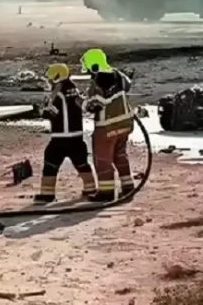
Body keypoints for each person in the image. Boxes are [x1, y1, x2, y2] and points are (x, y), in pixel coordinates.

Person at [33, 63, 96, 204]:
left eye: (50, 79)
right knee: (82, 163)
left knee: (50, 163)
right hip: (77, 137)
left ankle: (47, 194)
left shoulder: (58, 92)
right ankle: (91, 188)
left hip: (61, 137)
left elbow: (51, 113)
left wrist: (39, 112)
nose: (49, 82)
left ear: (57, 77)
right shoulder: (73, 89)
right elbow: (82, 106)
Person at [81, 48, 135, 202]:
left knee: (102, 159)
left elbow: (94, 105)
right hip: (125, 124)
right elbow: (127, 86)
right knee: (120, 156)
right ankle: (128, 187)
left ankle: (106, 192)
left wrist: (83, 103)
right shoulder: (119, 75)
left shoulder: (98, 81)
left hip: (107, 127)